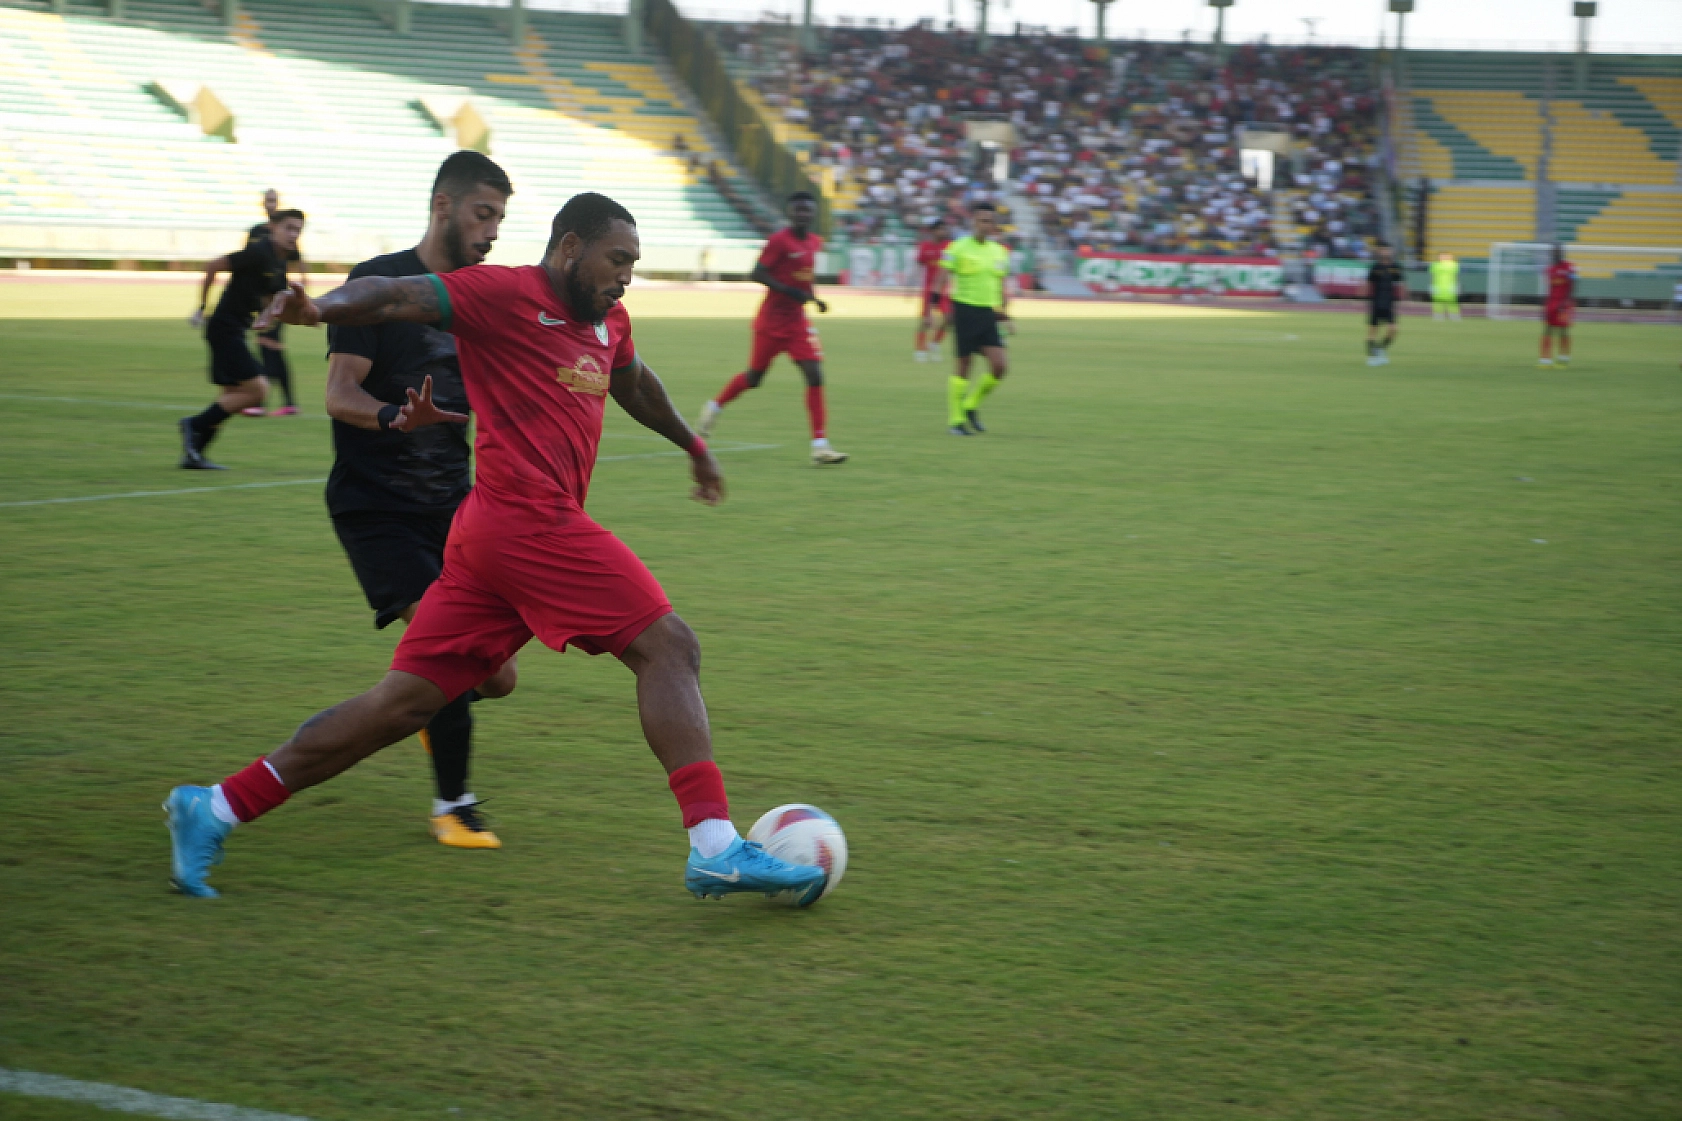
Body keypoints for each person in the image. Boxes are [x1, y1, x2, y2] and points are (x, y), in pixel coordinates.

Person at [163, 192, 827, 907]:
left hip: (487, 539)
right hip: (526, 520)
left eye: (634, 264)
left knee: (400, 705)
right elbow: (394, 294)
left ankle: (216, 806)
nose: (626, 276)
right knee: (670, 647)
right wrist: (318, 308)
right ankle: (716, 846)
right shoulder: (502, 292)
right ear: (570, 247)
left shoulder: (609, 320)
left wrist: (693, 444)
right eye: (618, 260)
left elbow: (633, 382)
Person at [325, 151, 520, 849]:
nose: (493, 229)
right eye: (482, 213)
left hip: (454, 508)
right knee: (455, 651)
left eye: (500, 216)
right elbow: (339, 393)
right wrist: (391, 417)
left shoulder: (482, 296)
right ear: (444, 205)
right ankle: (454, 806)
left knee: (499, 677)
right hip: (378, 507)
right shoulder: (376, 285)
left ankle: (420, 714)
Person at [694, 192, 848, 466]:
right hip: (771, 321)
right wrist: (788, 291)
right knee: (754, 378)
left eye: (807, 210)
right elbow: (757, 273)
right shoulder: (779, 241)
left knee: (815, 373)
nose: (803, 214)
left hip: (798, 322)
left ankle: (820, 444)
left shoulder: (814, 242)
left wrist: (814, 300)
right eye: (798, 210)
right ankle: (713, 407)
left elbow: (804, 277)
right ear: (791, 213)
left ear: (813, 214)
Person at [179, 209, 305, 469]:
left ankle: (194, 454)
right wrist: (202, 306)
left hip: (236, 329)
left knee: (232, 394)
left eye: (298, 230)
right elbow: (214, 265)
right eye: (289, 228)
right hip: (224, 328)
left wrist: (275, 315)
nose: (293, 234)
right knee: (258, 389)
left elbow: (271, 299)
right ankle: (194, 425)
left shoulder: (280, 262)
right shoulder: (259, 252)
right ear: (274, 228)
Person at [940, 201, 1012, 435]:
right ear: (973, 221)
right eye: (982, 220)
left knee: (1000, 366)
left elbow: (1000, 285)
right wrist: (937, 309)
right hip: (964, 310)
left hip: (988, 314)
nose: (986, 225)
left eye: (990, 221)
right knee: (964, 364)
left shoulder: (999, 252)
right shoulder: (957, 248)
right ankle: (955, 420)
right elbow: (942, 278)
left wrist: (1005, 314)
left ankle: (970, 405)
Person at [242, 188, 307, 417]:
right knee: (272, 350)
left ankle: (260, 402)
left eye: (273, 200)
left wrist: (302, 291)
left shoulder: (284, 232)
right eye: (267, 200)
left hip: (276, 298)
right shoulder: (257, 231)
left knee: (269, 347)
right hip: (260, 299)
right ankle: (288, 403)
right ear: (263, 203)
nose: (270, 203)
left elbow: (299, 262)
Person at [913, 217, 952, 362]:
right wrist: (911, 284)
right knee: (926, 320)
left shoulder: (949, 246)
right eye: (941, 229)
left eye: (945, 229)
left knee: (949, 318)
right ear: (934, 231)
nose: (944, 231)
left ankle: (934, 343)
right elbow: (919, 265)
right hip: (929, 289)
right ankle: (919, 350)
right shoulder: (925, 247)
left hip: (945, 289)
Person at [1364, 241, 1405, 367]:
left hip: (1389, 302)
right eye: (1383, 250)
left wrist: (1404, 296)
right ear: (1379, 252)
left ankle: (1381, 349)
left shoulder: (1395, 267)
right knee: (1373, 331)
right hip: (1376, 302)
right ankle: (1372, 357)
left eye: (1387, 250)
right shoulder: (1375, 267)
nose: (1385, 252)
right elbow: (1369, 283)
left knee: (1393, 329)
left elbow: (1401, 282)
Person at [1539, 245, 1576, 368]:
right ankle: (1545, 360)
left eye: (1556, 253)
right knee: (1547, 329)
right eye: (1552, 253)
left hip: (1564, 303)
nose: (1554, 255)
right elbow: (1549, 289)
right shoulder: (1549, 269)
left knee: (1563, 330)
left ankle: (1563, 359)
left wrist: (1567, 302)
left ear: (1561, 253)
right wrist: (1544, 305)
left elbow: (1574, 284)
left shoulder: (1569, 268)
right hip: (1551, 303)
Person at [1429, 251, 1460, 321]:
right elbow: (1432, 276)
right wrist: (1432, 286)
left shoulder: (1454, 265)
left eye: (1446, 256)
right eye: (1442, 256)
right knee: (1437, 301)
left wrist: (1457, 286)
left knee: (1452, 301)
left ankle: (1454, 316)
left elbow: (1457, 276)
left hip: (1450, 286)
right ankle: (1438, 315)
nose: (1444, 257)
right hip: (1438, 286)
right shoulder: (1435, 265)